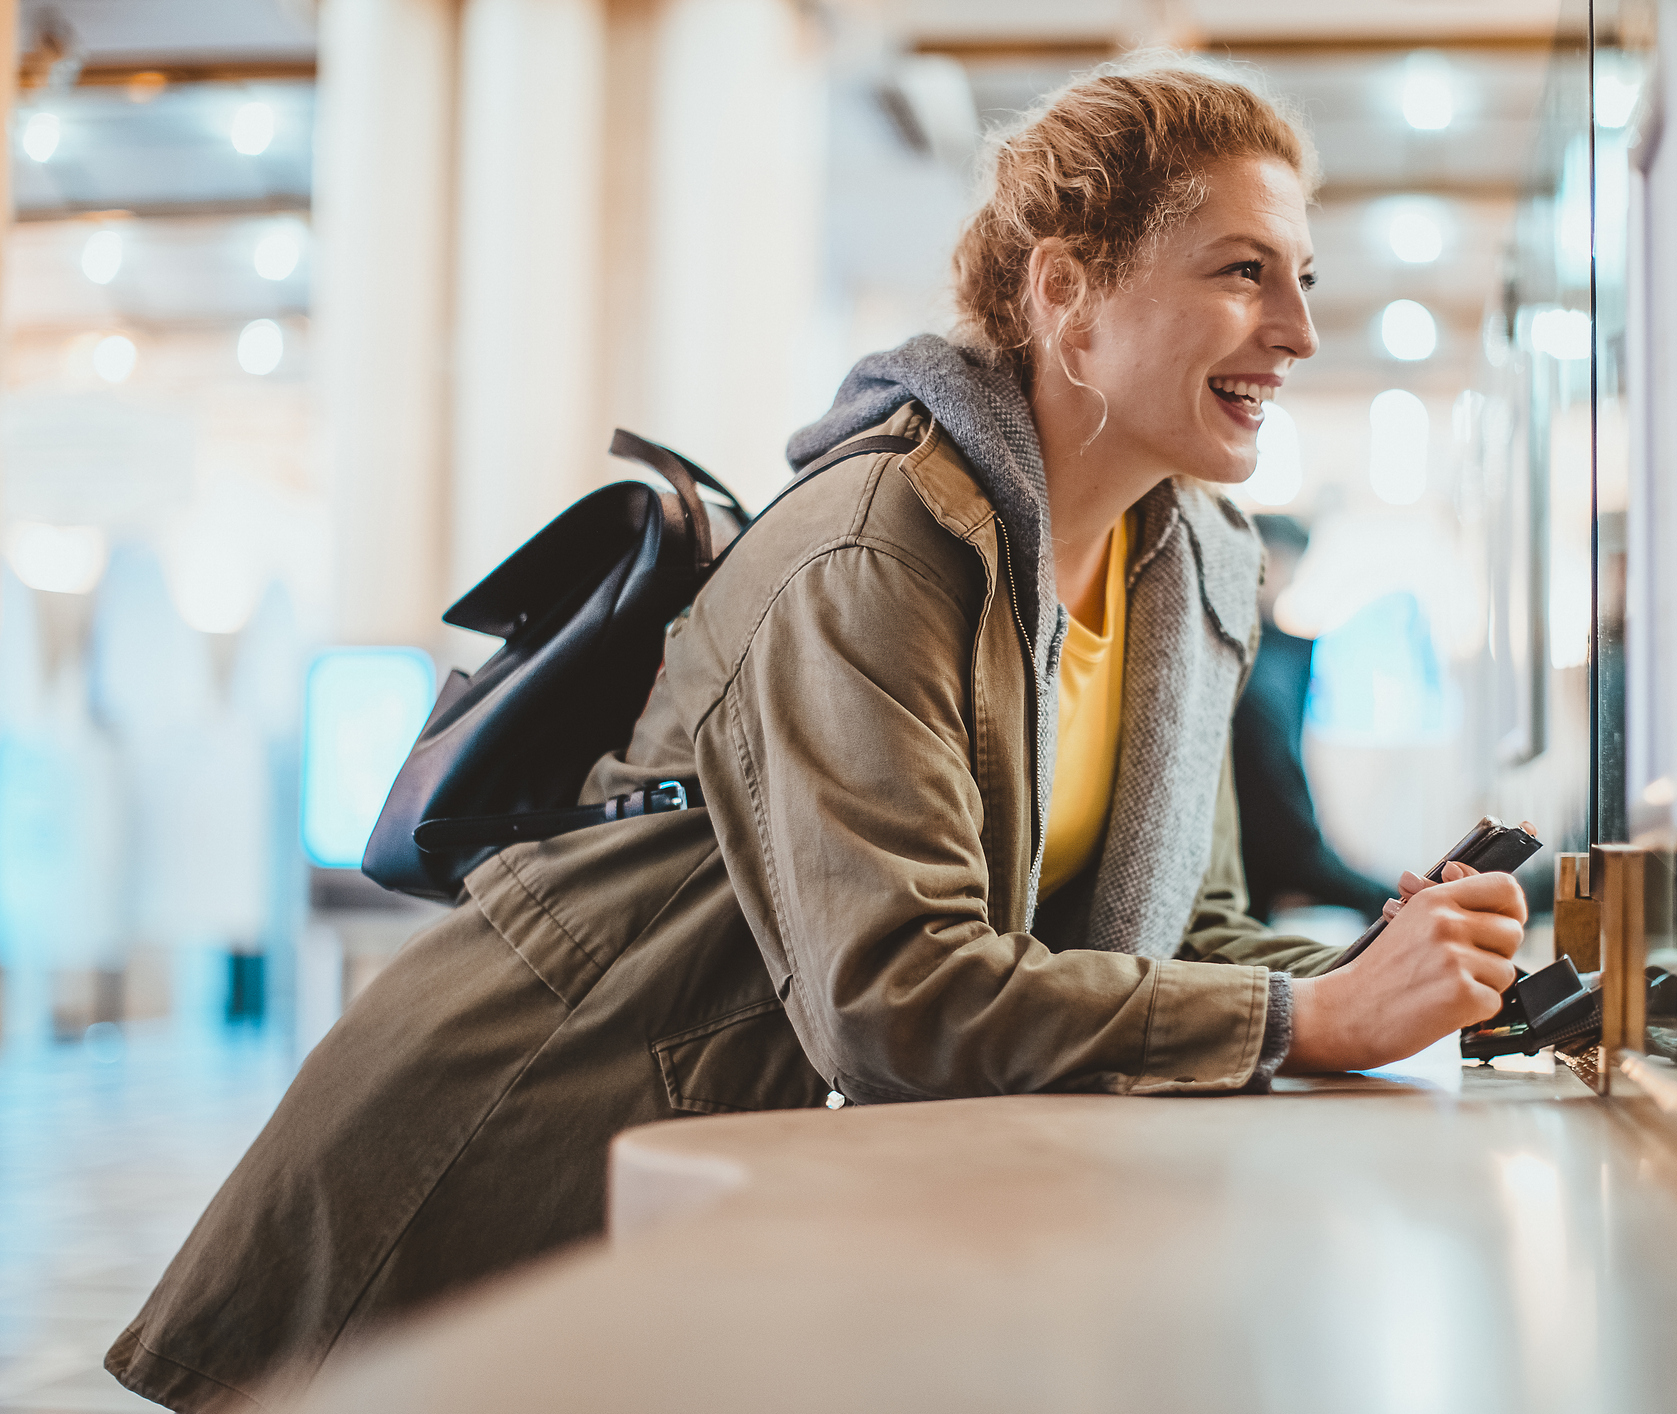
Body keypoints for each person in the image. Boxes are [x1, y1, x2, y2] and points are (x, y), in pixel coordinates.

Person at [109, 59, 1528, 1411]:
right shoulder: (876, 548)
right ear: (1069, 297)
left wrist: (1436, 977)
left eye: (1301, 278)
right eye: (1242, 271)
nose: (1298, 330)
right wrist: (1316, 1014)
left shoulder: (1192, 575)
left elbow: (1190, 937)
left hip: (704, 1170)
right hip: (504, 1141)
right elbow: (898, 993)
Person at [1231, 514, 1394, 921]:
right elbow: (1290, 846)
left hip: (1253, 893)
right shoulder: (1258, 678)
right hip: (1239, 897)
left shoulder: (1275, 663)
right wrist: (1390, 899)